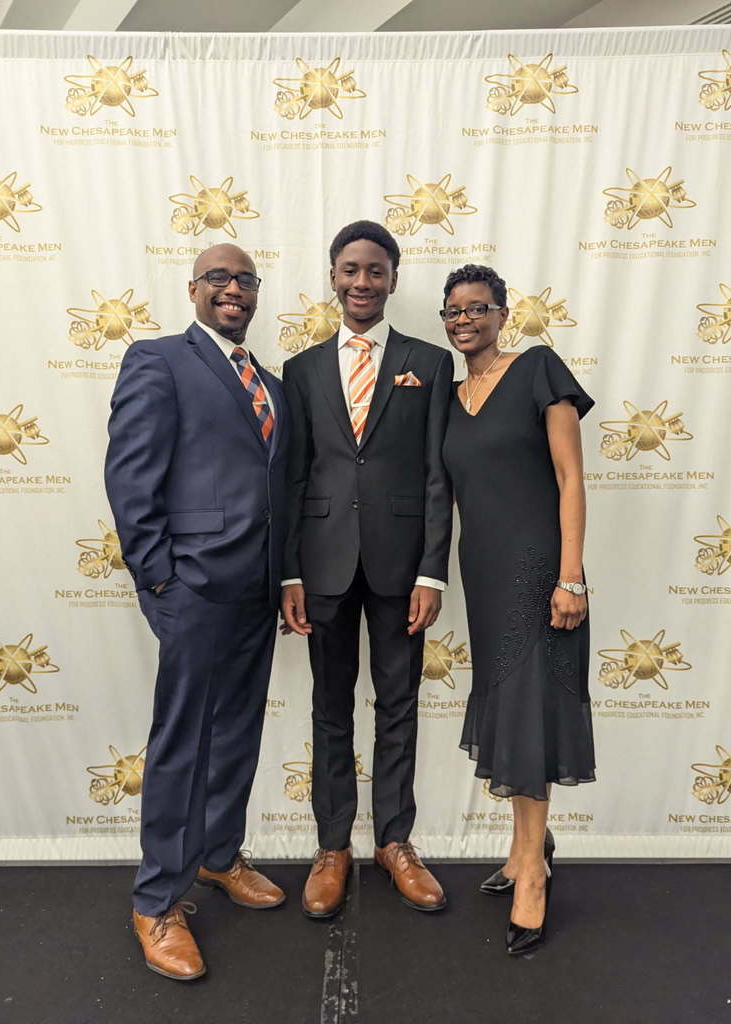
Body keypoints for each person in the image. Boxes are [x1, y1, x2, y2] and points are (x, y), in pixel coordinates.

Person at [105, 244, 289, 981]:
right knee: (183, 743)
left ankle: (216, 856)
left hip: (257, 590)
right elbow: (130, 473)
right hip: (193, 588)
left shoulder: (270, 384)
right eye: (218, 277)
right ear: (192, 289)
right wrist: (159, 582)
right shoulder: (158, 360)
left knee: (238, 732)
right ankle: (156, 900)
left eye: (245, 279)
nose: (233, 289)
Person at [281, 220, 454, 918]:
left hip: (399, 565)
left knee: (398, 706)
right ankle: (331, 848)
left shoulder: (429, 363)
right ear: (332, 276)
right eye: (350, 269)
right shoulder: (298, 370)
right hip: (321, 565)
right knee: (329, 708)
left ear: (391, 277)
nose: (361, 281)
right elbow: (292, 478)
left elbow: (437, 475)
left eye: (374, 270)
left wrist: (432, 572)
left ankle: (393, 843)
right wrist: (290, 571)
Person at [440, 264, 595, 955]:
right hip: (483, 574)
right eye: (452, 310)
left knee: (532, 711)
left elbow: (569, 477)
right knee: (507, 706)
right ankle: (523, 845)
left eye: (477, 308)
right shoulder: (446, 398)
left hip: (541, 572)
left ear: (503, 314)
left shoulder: (537, 369)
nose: (463, 319)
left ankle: (532, 869)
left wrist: (570, 578)